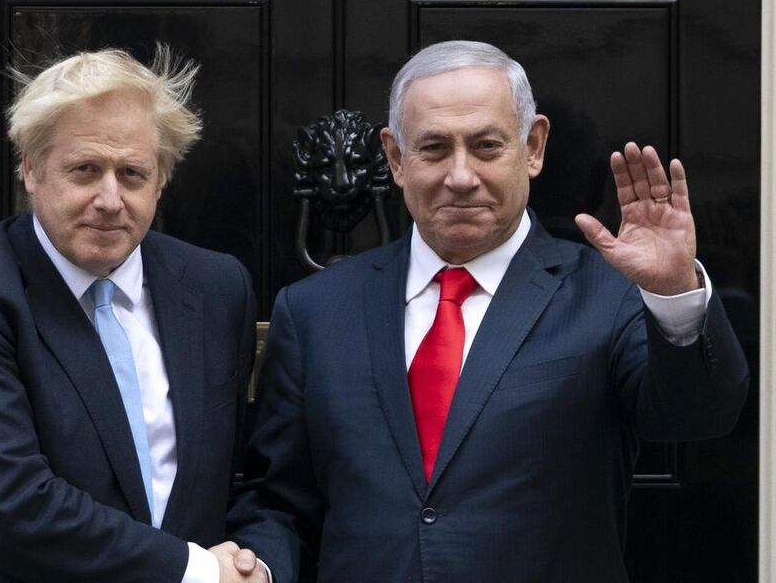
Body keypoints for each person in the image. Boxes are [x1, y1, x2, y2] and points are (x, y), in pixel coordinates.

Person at [228, 40, 749, 582]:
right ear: (395, 158)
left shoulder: (608, 293)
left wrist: (673, 293)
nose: (460, 176)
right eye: (433, 148)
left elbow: (698, 416)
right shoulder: (316, 310)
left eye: (486, 146)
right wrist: (257, 565)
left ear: (533, 147)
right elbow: (279, 499)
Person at [0, 48, 267, 582]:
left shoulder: (215, 287)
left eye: (132, 174)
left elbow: (243, 474)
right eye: (85, 170)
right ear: (31, 169)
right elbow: (11, 503)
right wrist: (197, 572)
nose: (109, 198)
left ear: (162, 180)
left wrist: (258, 565)